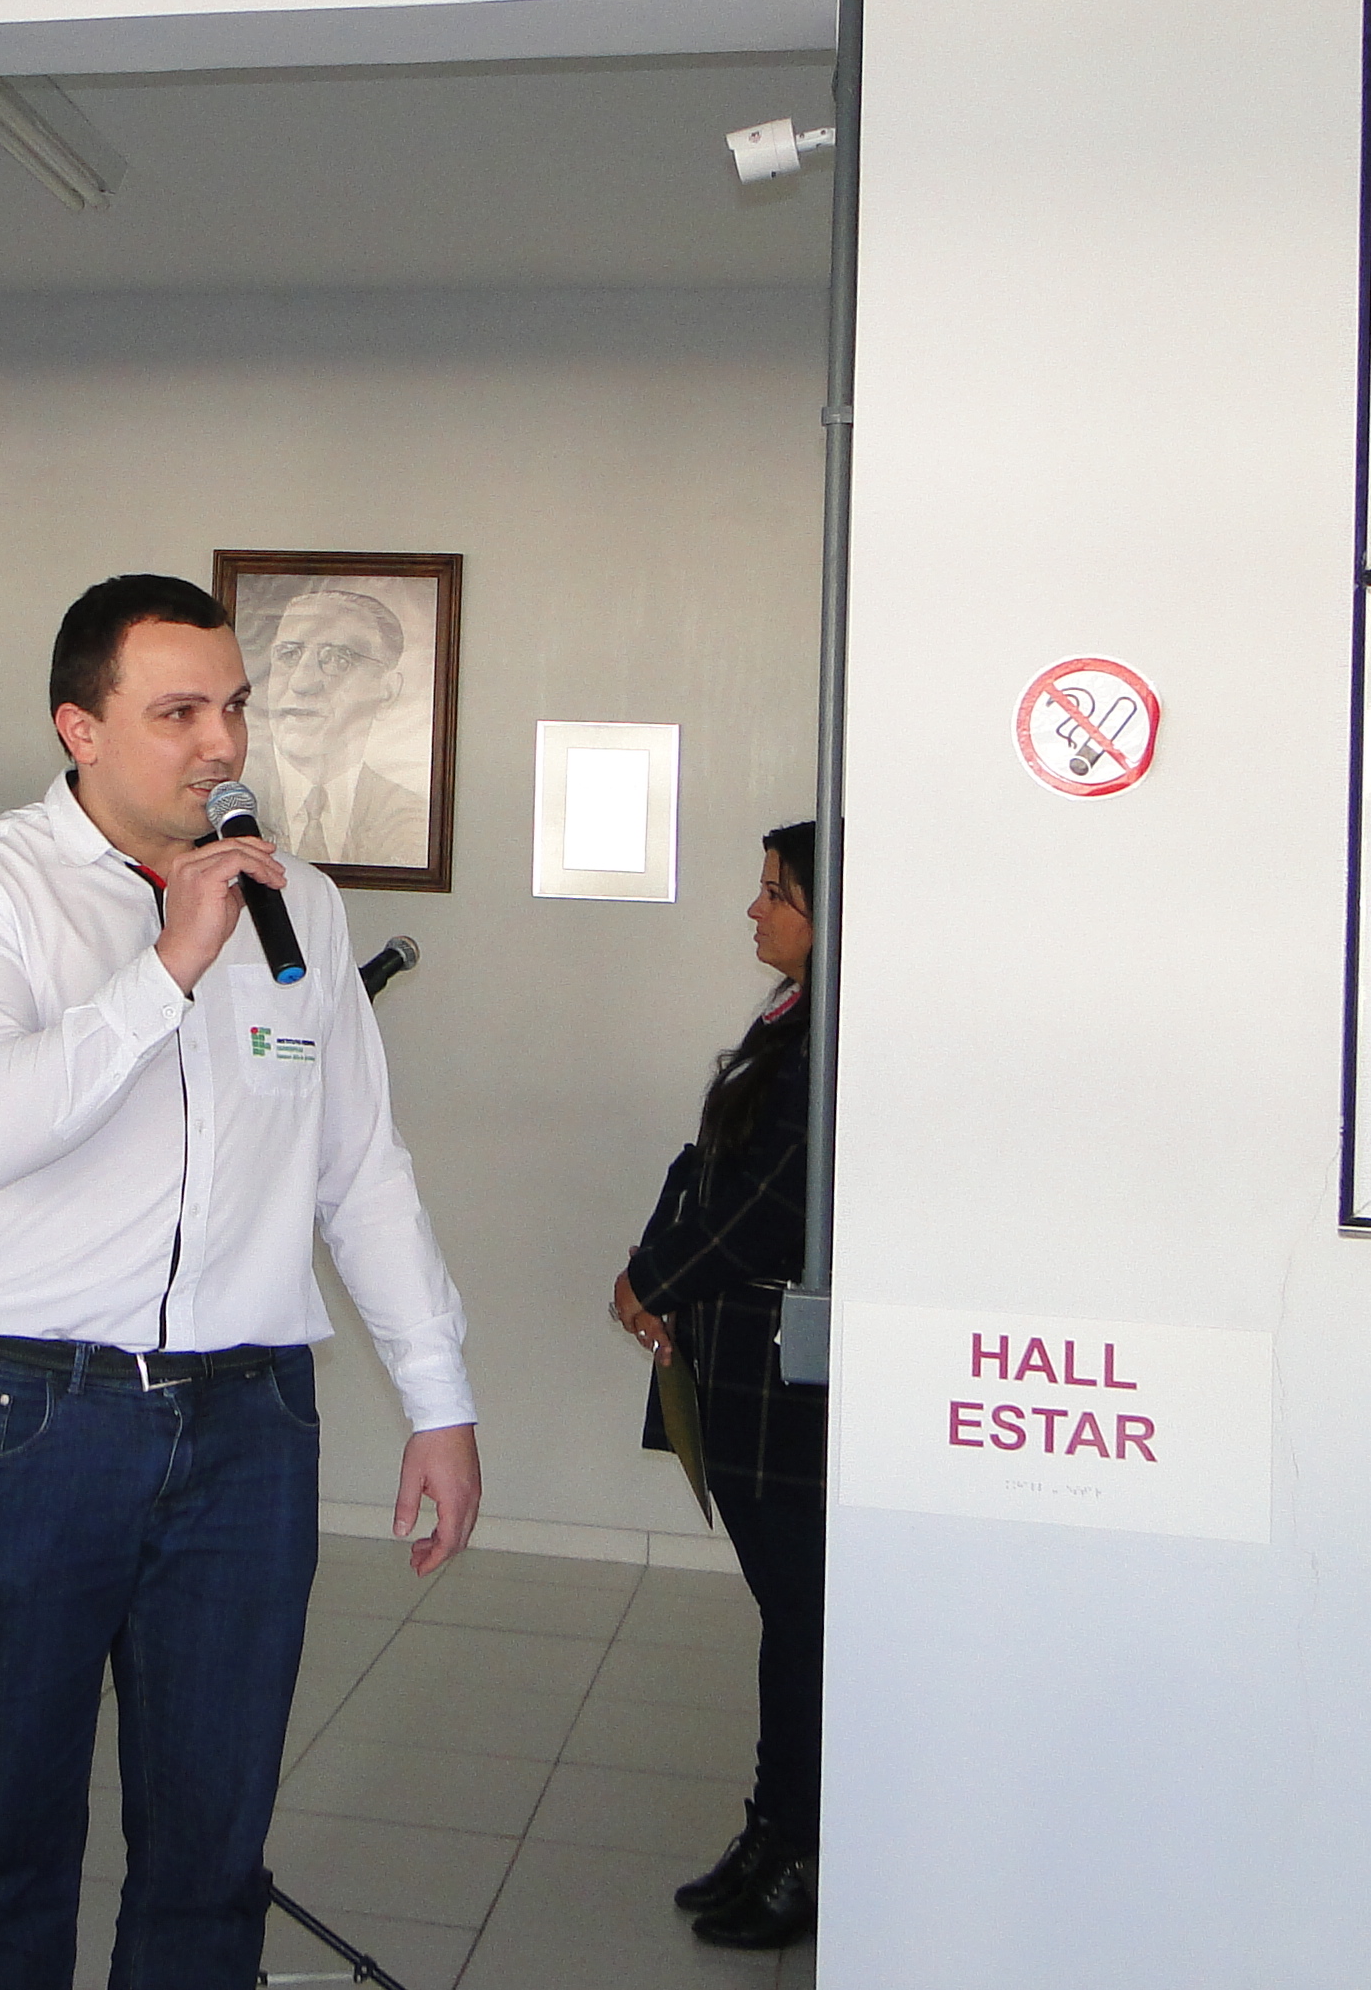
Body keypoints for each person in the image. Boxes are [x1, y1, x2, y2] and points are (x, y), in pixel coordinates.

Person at [0, 574, 480, 1990]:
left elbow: (360, 1168)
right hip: (33, 1413)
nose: (221, 745)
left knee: (212, 1846)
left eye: (232, 707)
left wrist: (439, 1396)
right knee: (10, 1826)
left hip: (246, 1425)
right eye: (176, 713)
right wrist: (167, 965)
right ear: (79, 728)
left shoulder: (304, 909)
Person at [616, 820, 826, 1953]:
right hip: (738, 1362)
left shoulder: (838, 1039)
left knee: (804, 1624)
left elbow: (773, 1208)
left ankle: (798, 1851)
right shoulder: (790, 1018)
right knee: (788, 1623)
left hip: (785, 1386)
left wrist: (658, 1279)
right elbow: (705, 1169)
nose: (756, 910)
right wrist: (651, 1264)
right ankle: (770, 1831)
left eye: (777, 894)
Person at [250, 584, 426, 866]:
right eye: (288, 655)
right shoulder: (230, 804)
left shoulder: (414, 820)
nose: (301, 682)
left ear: (387, 691)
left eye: (337, 660)